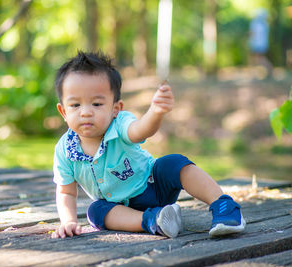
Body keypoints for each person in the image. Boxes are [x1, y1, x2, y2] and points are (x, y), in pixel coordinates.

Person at [51, 51, 246, 239]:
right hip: (121, 209)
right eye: (75, 105)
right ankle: (154, 220)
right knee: (96, 211)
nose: (85, 112)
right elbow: (66, 191)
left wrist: (156, 112)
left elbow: (140, 130)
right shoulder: (65, 151)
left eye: (97, 104)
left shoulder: (119, 125)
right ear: (63, 112)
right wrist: (67, 221)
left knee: (173, 163)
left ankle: (224, 207)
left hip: (154, 184)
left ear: (115, 108)